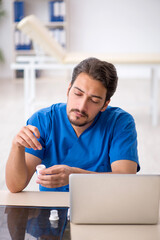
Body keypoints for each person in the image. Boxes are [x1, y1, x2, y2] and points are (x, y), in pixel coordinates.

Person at [6, 57, 140, 193]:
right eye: (77, 94)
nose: (81, 107)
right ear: (68, 89)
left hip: (102, 206)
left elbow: (125, 181)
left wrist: (76, 177)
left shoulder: (120, 123)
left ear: (105, 104)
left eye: (94, 100)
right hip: (53, 210)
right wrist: (16, 146)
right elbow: (15, 186)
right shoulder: (44, 121)